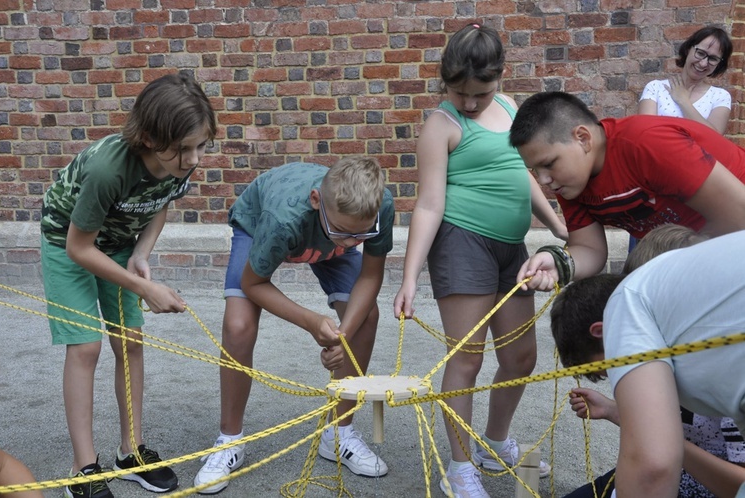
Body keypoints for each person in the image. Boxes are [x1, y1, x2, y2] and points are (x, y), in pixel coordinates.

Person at [393, 23, 567, 498]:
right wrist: (409, 277)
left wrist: (556, 225)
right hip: (462, 243)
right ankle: (460, 466)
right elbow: (428, 204)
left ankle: (494, 443)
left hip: (512, 248)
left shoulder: (511, 107)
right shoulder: (441, 126)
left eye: (481, 93)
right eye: (460, 93)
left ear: (500, 78)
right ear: (446, 82)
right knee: (466, 360)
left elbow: (520, 172)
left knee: (520, 356)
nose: (470, 103)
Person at [40, 73, 217, 498]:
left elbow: (160, 205)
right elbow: (79, 248)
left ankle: (130, 452)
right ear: (151, 137)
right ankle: (83, 469)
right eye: (184, 149)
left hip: (119, 244)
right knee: (85, 347)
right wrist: (144, 289)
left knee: (130, 342)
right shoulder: (108, 168)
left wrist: (141, 254)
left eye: (201, 146)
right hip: (69, 242)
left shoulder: (178, 163)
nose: (193, 159)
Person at [194, 157, 395, 493]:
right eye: (343, 233)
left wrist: (342, 337)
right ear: (317, 201)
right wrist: (312, 322)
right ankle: (229, 441)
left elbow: (371, 275)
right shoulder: (282, 219)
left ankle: (339, 434)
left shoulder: (376, 207)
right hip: (259, 223)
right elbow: (253, 284)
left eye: (359, 235)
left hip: (320, 232)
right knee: (239, 325)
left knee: (366, 318)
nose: (349, 243)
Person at [549, 229, 745, 497]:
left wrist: (662, 442)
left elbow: (733, 484)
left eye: (609, 369)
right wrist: (617, 412)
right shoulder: (675, 346)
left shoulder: (718, 365)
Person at [509, 91, 745, 292]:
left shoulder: (646, 144)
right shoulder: (570, 181)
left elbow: (738, 214)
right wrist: (559, 263)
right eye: (535, 170)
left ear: (583, 138)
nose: (543, 179)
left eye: (548, 164)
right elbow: (590, 249)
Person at [628, 25, 733, 252]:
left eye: (713, 59)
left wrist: (684, 101)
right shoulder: (655, 88)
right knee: (643, 262)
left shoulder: (720, 97)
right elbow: (643, 137)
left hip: (696, 196)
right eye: (701, 53)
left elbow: (715, 143)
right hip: (654, 193)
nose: (704, 63)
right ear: (689, 49)